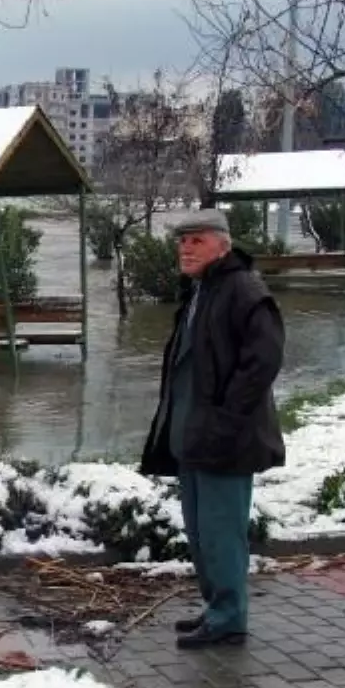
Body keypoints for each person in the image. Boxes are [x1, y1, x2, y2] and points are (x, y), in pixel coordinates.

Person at [140, 208, 286, 650]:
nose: (185, 248)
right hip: (194, 436)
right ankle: (216, 608)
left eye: (196, 240)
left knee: (222, 533)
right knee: (201, 533)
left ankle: (228, 618)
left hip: (226, 438)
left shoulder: (243, 289)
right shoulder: (201, 290)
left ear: (222, 244)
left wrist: (227, 418)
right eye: (182, 241)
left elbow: (264, 360)